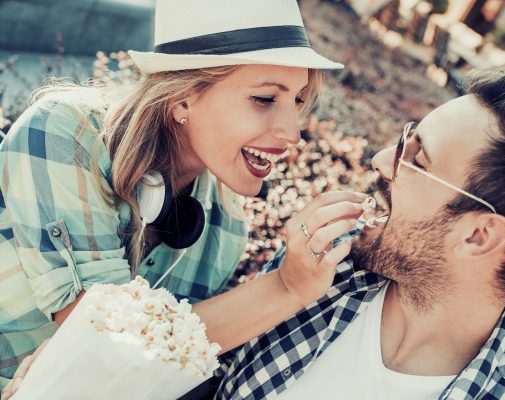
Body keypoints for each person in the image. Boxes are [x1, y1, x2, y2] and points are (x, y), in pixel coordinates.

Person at [0, 0, 368, 397]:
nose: (292, 133)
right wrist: (286, 287)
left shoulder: (227, 229)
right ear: (183, 99)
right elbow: (100, 331)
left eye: (297, 101)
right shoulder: (64, 133)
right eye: (264, 99)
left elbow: (146, 372)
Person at [212, 70, 505, 399]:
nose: (380, 160)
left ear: (479, 236)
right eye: (404, 139)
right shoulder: (319, 267)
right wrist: (281, 288)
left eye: (417, 159)